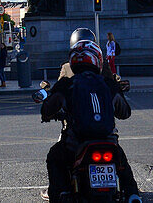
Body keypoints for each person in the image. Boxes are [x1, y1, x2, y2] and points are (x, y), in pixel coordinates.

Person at [42, 41, 141, 203]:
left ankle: (61, 194)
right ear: (97, 60)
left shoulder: (66, 84)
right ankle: (133, 194)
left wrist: (51, 113)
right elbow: (125, 113)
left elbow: (47, 110)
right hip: (108, 141)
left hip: (76, 143)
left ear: (73, 62)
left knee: (54, 157)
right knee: (122, 162)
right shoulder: (108, 84)